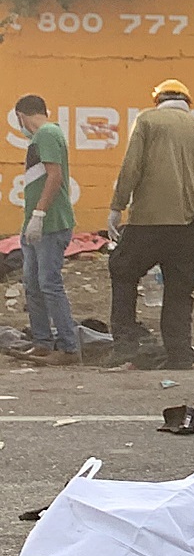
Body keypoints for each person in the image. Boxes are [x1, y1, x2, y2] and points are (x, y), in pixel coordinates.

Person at [108, 78, 194, 368]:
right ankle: (179, 353)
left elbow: (131, 166)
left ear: (158, 100)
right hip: (187, 224)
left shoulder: (147, 121)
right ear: (187, 103)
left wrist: (117, 206)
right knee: (179, 288)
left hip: (148, 219)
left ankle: (124, 344)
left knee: (123, 270)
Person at [13, 94, 80, 367]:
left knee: (49, 284)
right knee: (33, 284)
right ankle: (42, 342)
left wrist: (39, 214)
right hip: (37, 224)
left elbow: (55, 176)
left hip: (51, 223)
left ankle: (68, 346)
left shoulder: (47, 134)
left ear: (21, 116)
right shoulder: (41, 137)